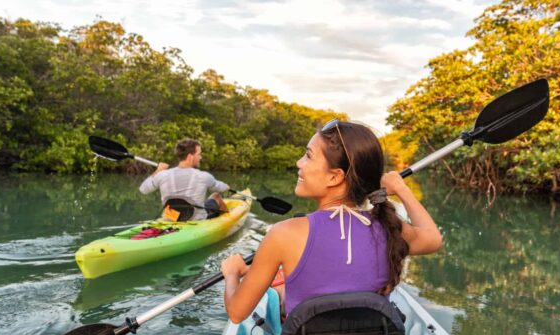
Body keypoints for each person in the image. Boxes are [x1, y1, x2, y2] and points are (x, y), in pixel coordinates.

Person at [220, 120, 443, 323]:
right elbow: (432, 239)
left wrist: (232, 272)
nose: (299, 163)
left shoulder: (283, 234)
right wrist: (402, 189)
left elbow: (237, 313)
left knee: (281, 294)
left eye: (308, 156)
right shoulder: (389, 227)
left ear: (335, 177)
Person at [139, 138, 229, 221]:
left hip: (171, 219)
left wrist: (158, 171)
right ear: (190, 156)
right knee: (216, 196)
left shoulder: (162, 175)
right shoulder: (203, 176)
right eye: (199, 154)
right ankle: (228, 219)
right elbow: (222, 188)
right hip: (196, 220)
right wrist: (227, 187)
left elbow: (143, 189)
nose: (200, 157)